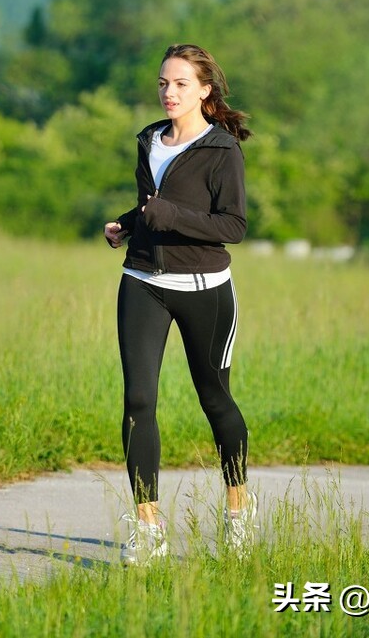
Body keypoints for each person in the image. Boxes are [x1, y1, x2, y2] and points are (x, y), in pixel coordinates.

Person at [103, 42, 256, 564]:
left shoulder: (222, 151)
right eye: (164, 83)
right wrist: (128, 222)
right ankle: (148, 528)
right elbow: (156, 207)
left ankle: (238, 512)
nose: (169, 92)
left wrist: (169, 217)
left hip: (203, 290)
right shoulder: (149, 139)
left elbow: (232, 225)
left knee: (216, 401)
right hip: (142, 281)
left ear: (205, 90)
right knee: (138, 401)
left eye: (181, 84)